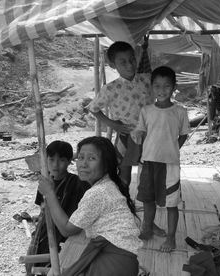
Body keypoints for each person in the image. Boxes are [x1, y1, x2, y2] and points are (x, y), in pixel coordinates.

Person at [38, 136, 142, 275]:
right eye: (80, 158)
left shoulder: (98, 192)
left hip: (115, 263)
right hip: (121, 260)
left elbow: (67, 230)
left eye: (91, 158)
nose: (83, 164)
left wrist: (50, 194)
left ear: (106, 164)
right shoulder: (107, 185)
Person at [131, 66, 190, 252]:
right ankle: (147, 228)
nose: (161, 90)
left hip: (170, 165)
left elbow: (183, 135)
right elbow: (142, 129)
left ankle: (171, 238)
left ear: (174, 87)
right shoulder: (146, 110)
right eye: (157, 86)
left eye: (166, 86)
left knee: (171, 204)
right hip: (148, 162)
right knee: (148, 200)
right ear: (151, 87)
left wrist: (172, 150)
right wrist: (138, 134)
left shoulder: (180, 111)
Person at [89, 41, 153, 189]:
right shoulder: (110, 89)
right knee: (124, 173)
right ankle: (125, 203)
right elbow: (93, 108)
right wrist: (112, 124)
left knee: (149, 173)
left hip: (150, 134)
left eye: (132, 59)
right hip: (126, 135)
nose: (129, 65)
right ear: (113, 65)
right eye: (122, 62)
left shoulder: (148, 79)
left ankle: (149, 203)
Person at [27, 141, 90, 273]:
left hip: (67, 235)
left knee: (59, 267)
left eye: (61, 160)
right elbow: (42, 211)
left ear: (69, 162)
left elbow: (77, 218)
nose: (55, 165)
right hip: (45, 232)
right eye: (51, 159)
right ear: (46, 160)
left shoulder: (78, 184)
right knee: (33, 264)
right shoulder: (44, 183)